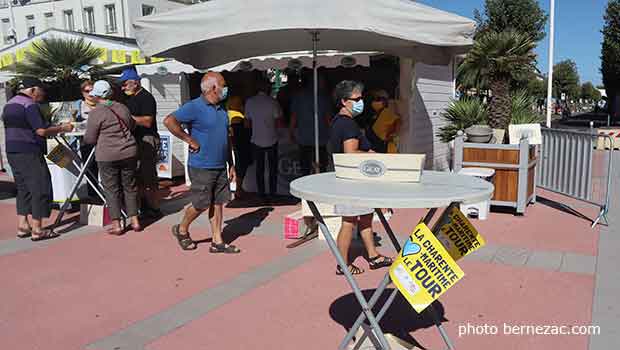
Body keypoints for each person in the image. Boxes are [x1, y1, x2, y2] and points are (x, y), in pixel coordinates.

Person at [163, 72, 239, 253]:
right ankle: (181, 229)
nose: (226, 88)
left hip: (220, 165)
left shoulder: (221, 109)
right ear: (214, 87)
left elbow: (226, 139)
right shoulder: (194, 107)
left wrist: (231, 163)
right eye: (223, 84)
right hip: (201, 165)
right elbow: (169, 121)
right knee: (201, 203)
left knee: (219, 203)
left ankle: (217, 241)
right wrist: (188, 139)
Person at [329, 80, 393, 275]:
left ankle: (373, 255)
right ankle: (343, 264)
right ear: (343, 101)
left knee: (365, 217)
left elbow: (360, 148)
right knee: (348, 221)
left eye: (361, 98)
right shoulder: (347, 125)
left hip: (354, 180)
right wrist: (375, 157)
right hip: (351, 180)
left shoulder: (340, 122)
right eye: (356, 99)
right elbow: (351, 153)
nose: (361, 102)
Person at [2, 78, 73, 241]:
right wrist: (63, 128)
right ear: (33, 90)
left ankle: (23, 226)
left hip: (12, 151)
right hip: (29, 151)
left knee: (23, 189)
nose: (44, 94)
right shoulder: (30, 105)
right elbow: (41, 131)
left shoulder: (10, 104)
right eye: (42, 90)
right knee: (40, 187)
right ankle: (38, 229)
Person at [83, 80, 141, 235]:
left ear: (96, 95)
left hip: (107, 154)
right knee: (130, 186)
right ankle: (135, 220)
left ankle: (117, 224)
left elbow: (89, 138)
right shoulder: (122, 107)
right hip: (129, 151)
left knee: (111, 189)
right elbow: (131, 125)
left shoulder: (96, 112)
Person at [118, 68, 161, 218]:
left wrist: (126, 118)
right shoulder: (129, 99)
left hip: (147, 139)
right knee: (137, 176)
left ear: (135, 83)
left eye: (125, 84)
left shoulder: (146, 98)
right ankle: (143, 205)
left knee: (149, 175)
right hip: (134, 140)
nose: (123, 88)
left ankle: (155, 207)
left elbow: (148, 121)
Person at [245, 79, 282, 200]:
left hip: (256, 139)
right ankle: (272, 193)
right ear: (268, 89)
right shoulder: (273, 102)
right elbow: (278, 121)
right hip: (272, 138)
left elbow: (247, 123)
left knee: (259, 169)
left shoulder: (250, 102)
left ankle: (261, 194)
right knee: (273, 169)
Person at [289, 74, 331, 175]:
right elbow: (328, 118)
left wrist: (290, 132)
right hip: (320, 137)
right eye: (323, 82)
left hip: (304, 137)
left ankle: (305, 188)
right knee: (321, 168)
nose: (324, 84)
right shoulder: (324, 97)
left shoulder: (299, 96)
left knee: (305, 168)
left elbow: (294, 116)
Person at [75, 80, 99, 198]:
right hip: (86, 142)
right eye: (86, 91)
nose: (90, 94)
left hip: (103, 142)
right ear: (82, 93)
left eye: (92, 90)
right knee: (90, 169)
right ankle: (93, 197)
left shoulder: (103, 104)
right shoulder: (78, 105)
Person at [227, 95, 251, 198]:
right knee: (241, 166)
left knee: (236, 166)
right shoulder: (238, 116)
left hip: (232, 144)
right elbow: (242, 131)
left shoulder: (227, 114)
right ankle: (239, 189)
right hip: (240, 144)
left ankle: (237, 188)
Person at [366, 89, 401, 154]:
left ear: (385, 101)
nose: (375, 102)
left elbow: (397, 121)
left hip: (388, 149)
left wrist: (391, 135)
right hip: (378, 150)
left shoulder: (386, 112)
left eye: (378, 99)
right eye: (375, 99)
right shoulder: (373, 117)